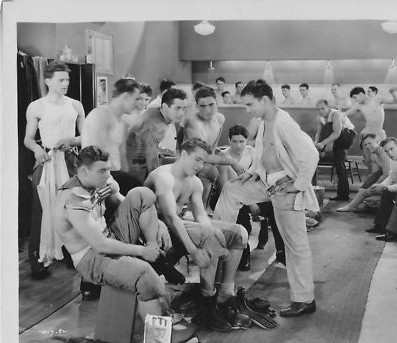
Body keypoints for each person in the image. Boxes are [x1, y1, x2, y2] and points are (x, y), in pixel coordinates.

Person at [214, 80, 319, 317]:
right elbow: (264, 155)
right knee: (232, 189)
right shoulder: (264, 123)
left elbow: (311, 153)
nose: (248, 109)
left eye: (250, 104)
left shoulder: (284, 122)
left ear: (264, 100)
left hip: (284, 186)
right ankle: (222, 238)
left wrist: (299, 185)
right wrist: (252, 172)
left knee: (295, 245)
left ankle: (304, 299)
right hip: (266, 180)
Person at [144, 138, 250, 332]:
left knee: (239, 233)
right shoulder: (163, 176)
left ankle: (225, 294)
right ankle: (207, 305)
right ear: (183, 155)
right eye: (197, 160)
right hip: (154, 228)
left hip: (179, 223)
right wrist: (194, 250)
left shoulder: (194, 183)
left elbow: (202, 217)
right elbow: (170, 218)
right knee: (211, 237)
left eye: (204, 161)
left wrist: (219, 240)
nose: (201, 166)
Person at [54, 146, 169, 315]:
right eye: (102, 170)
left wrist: (158, 222)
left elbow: (127, 203)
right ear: (84, 171)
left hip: (110, 236)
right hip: (91, 257)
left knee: (142, 193)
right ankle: (158, 340)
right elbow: (100, 245)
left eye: (108, 169)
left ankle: (155, 256)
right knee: (147, 279)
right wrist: (143, 251)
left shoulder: (93, 183)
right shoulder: (74, 198)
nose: (108, 174)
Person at [24, 61, 85, 278]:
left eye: (67, 80)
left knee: (72, 208)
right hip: (46, 160)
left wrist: (73, 140)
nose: (65, 84)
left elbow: (85, 135)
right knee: (41, 209)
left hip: (70, 160)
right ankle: (39, 260)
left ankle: (72, 254)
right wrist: (37, 149)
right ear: (48, 80)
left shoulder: (75, 105)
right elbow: (28, 139)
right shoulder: (37, 106)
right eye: (60, 80)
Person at [215, 125, 285, 270]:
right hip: (230, 197)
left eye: (242, 141)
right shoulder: (224, 156)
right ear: (229, 140)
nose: (239, 145)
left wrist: (253, 200)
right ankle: (243, 255)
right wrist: (249, 203)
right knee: (242, 220)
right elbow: (222, 185)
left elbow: (259, 178)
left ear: (247, 141)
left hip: (250, 194)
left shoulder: (252, 152)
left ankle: (281, 253)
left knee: (276, 208)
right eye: (235, 141)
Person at [183, 87, 246, 209]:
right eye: (203, 106)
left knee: (226, 171)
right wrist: (231, 161)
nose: (208, 110)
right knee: (210, 170)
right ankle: (195, 210)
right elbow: (202, 155)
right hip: (189, 161)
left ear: (217, 103)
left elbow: (211, 148)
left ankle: (224, 207)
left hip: (206, 159)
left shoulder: (220, 119)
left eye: (211, 104)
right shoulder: (193, 123)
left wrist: (221, 160)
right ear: (196, 106)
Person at [82, 78, 143, 195]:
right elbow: (94, 153)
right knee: (141, 192)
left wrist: (126, 174)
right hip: (100, 175)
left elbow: (121, 154)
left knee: (141, 192)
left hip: (115, 173)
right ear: (126, 96)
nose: (136, 104)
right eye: (136, 99)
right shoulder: (101, 115)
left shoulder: (121, 120)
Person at [127, 88, 187, 180]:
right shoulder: (157, 126)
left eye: (183, 108)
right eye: (177, 108)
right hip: (135, 171)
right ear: (165, 106)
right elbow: (151, 161)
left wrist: (161, 150)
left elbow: (145, 142)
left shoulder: (155, 110)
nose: (181, 113)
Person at [345, 86, 397, 172]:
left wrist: (392, 92)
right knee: (369, 161)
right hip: (367, 134)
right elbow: (347, 113)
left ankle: (382, 179)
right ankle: (372, 180)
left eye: (355, 97)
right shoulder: (358, 105)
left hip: (378, 134)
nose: (355, 100)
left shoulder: (377, 100)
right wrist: (336, 112)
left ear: (361, 94)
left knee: (383, 159)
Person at [314, 99, 356, 201]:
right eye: (318, 109)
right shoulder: (319, 118)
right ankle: (342, 194)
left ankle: (343, 194)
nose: (321, 111)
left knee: (339, 161)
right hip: (334, 139)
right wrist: (315, 144)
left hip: (347, 135)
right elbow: (318, 134)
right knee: (338, 163)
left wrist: (323, 143)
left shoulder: (335, 114)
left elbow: (336, 133)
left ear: (328, 107)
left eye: (323, 108)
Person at [337, 133, 390, 212]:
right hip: (384, 174)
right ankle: (351, 206)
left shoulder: (384, 153)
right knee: (365, 186)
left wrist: (372, 188)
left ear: (378, 142)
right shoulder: (374, 155)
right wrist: (366, 186)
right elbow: (374, 174)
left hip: (395, 177)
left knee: (369, 188)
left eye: (370, 143)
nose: (368, 146)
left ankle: (356, 205)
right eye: (366, 144)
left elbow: (386, 174)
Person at [148, 79, 178, 153]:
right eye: (173, 91)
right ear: (165, 91)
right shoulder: (154, 106)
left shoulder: (171, 103)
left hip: (169, 145)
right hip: (160, 147)